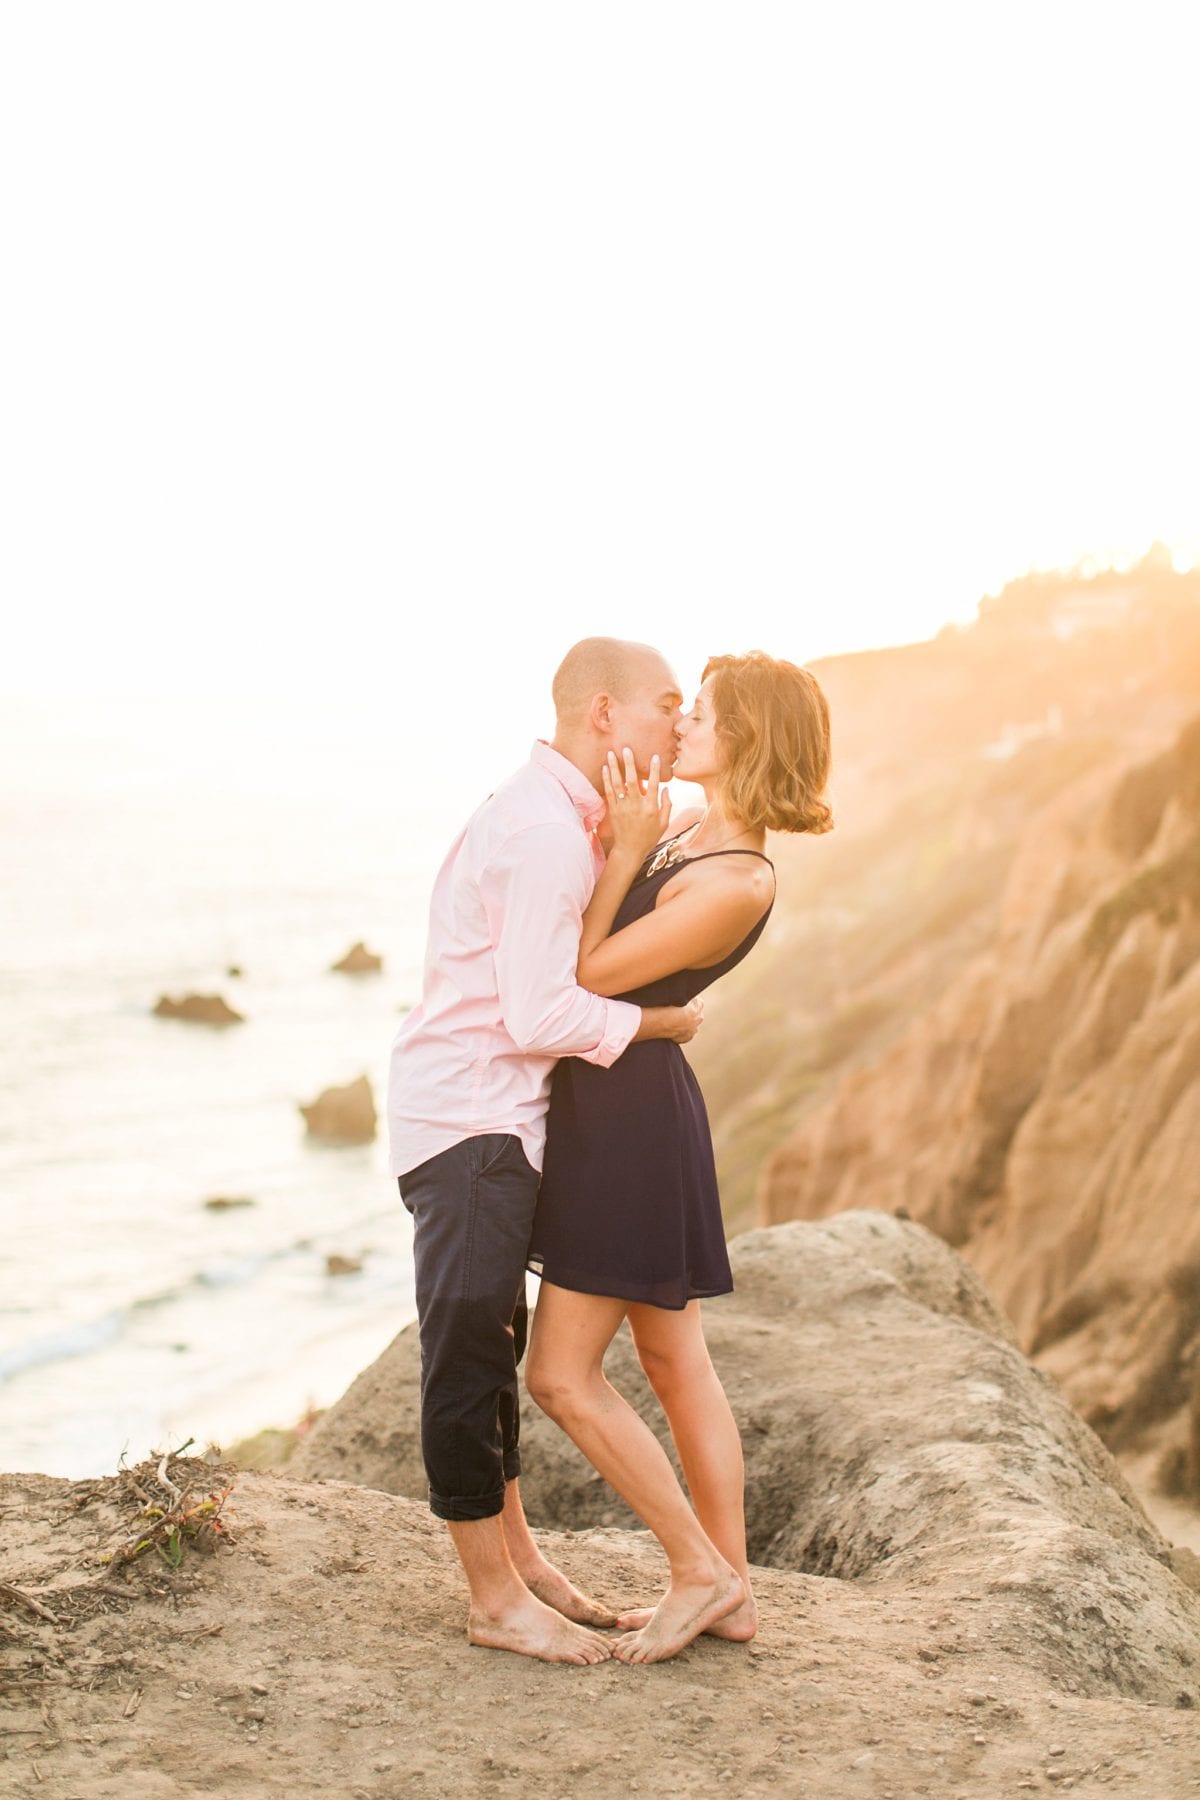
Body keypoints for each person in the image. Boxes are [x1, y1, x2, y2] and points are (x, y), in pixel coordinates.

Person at [387, 637, 706, 1665]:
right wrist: (659, 1026)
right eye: (666, 706)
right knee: (469, 1356)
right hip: (473, 1122)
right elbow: (535, 1011)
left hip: (488, 1122)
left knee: (496, 1347)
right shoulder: (543, 835)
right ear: (604, 713)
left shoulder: (560, 818)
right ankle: (492, 1598)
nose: (678, 724)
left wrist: (633, 842)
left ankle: (520, 1561)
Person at [525, 650, 833, 1664]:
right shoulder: (693, 831)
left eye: (700, 713)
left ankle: (704, 1570)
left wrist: (627, 850)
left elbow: (588, 972)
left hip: (632, 1129)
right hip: (620, 1100)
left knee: (562, 1376)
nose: (683, 724)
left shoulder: (738, 878)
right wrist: (632, 834)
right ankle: (731, 1593)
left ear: (743, 736)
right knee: (672, 1359)